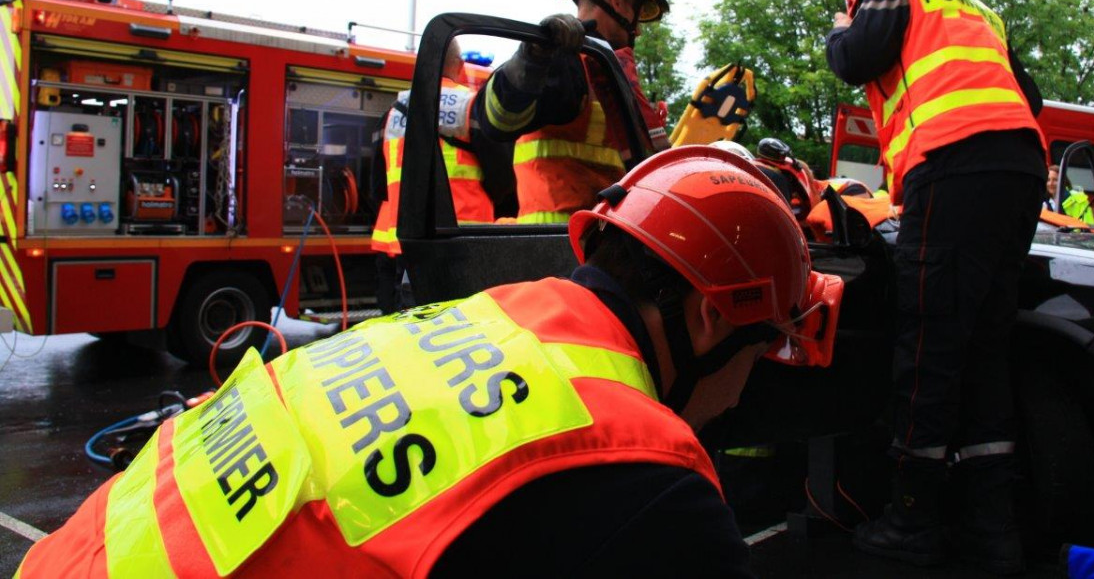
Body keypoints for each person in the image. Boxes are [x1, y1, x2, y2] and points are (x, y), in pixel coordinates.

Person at [17, 146, 843, 578]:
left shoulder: (470, 322)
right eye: (763, 344)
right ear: (709, 318)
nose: (752, 378)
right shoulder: (646, 474)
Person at [826, 0, 1047, 574]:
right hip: (1018, 171)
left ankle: (913, 519)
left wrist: (840, 29)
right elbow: (1028, 95)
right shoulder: (974, 9)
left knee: (929, 342)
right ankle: (991, 531)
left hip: (956, 167)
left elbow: (853, 59)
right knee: (982, 349)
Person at [477, 0, 672, 222]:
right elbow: (497, 120)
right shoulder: (564, 63)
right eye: (636, 13)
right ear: (618, 2)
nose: (638, 31)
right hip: (559, 245)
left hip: (601, 241)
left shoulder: (605, 69)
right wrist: (532, 58)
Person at [371, 38, 494, 312]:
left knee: (410, 329)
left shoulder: (393, 112)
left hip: (407, 241)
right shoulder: (471, 105)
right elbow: (501, 178)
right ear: (459, 66)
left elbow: (378, 187)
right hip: (465, 241)